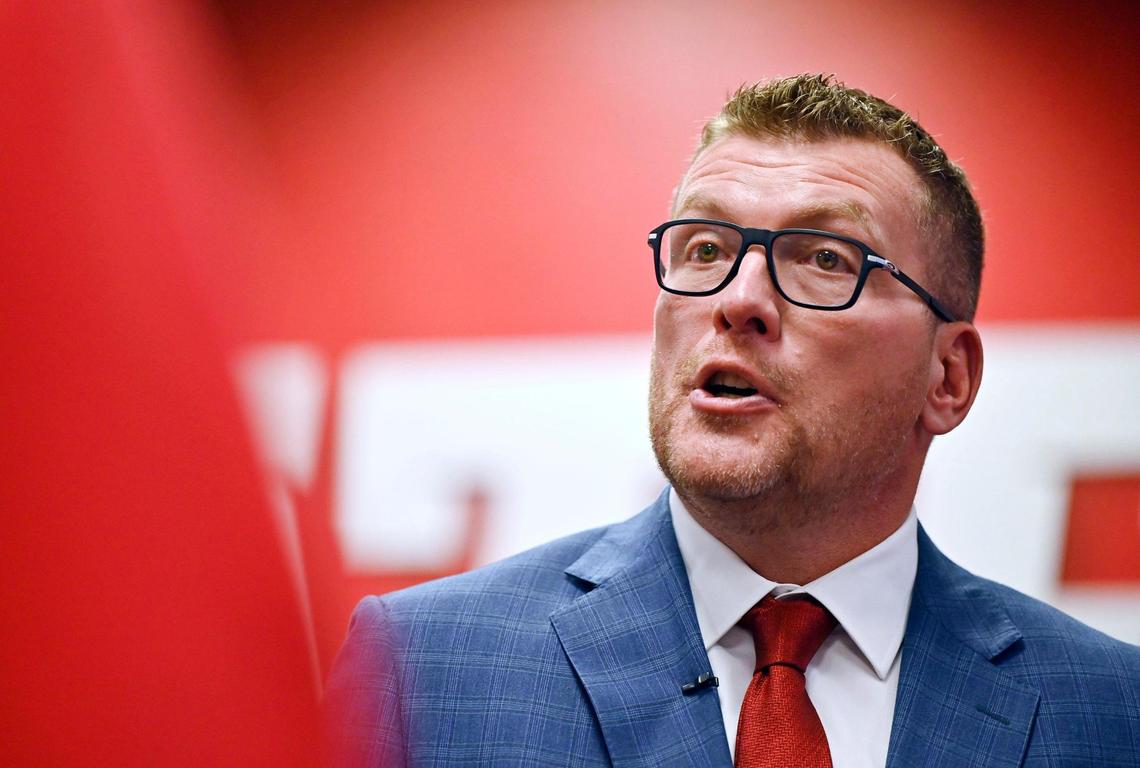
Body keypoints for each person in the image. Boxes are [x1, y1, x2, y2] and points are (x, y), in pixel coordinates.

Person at [323, 74, 1140, 767]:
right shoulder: (425, 667)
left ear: (948, 377)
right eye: (706, 249)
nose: (738, 301)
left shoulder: (1110, 712)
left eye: (826, 260)